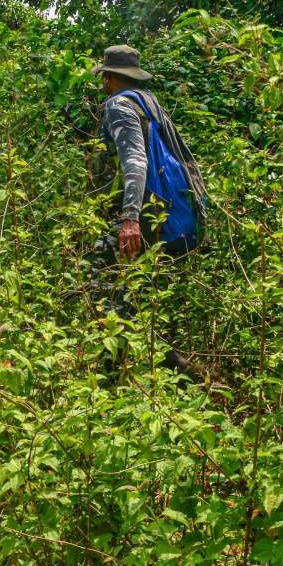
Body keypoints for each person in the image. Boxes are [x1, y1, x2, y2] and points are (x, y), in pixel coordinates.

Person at [87, 44, 208, 375]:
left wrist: (129, 218)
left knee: (109, 299)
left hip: (138, 221)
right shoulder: (150, 105)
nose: (102, 85)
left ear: (111, 77)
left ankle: (108, 382)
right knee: (145, 303)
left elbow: (135, 162)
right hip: (163, 217)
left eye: (104, 77)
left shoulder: (119, 106)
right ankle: (182, 374)